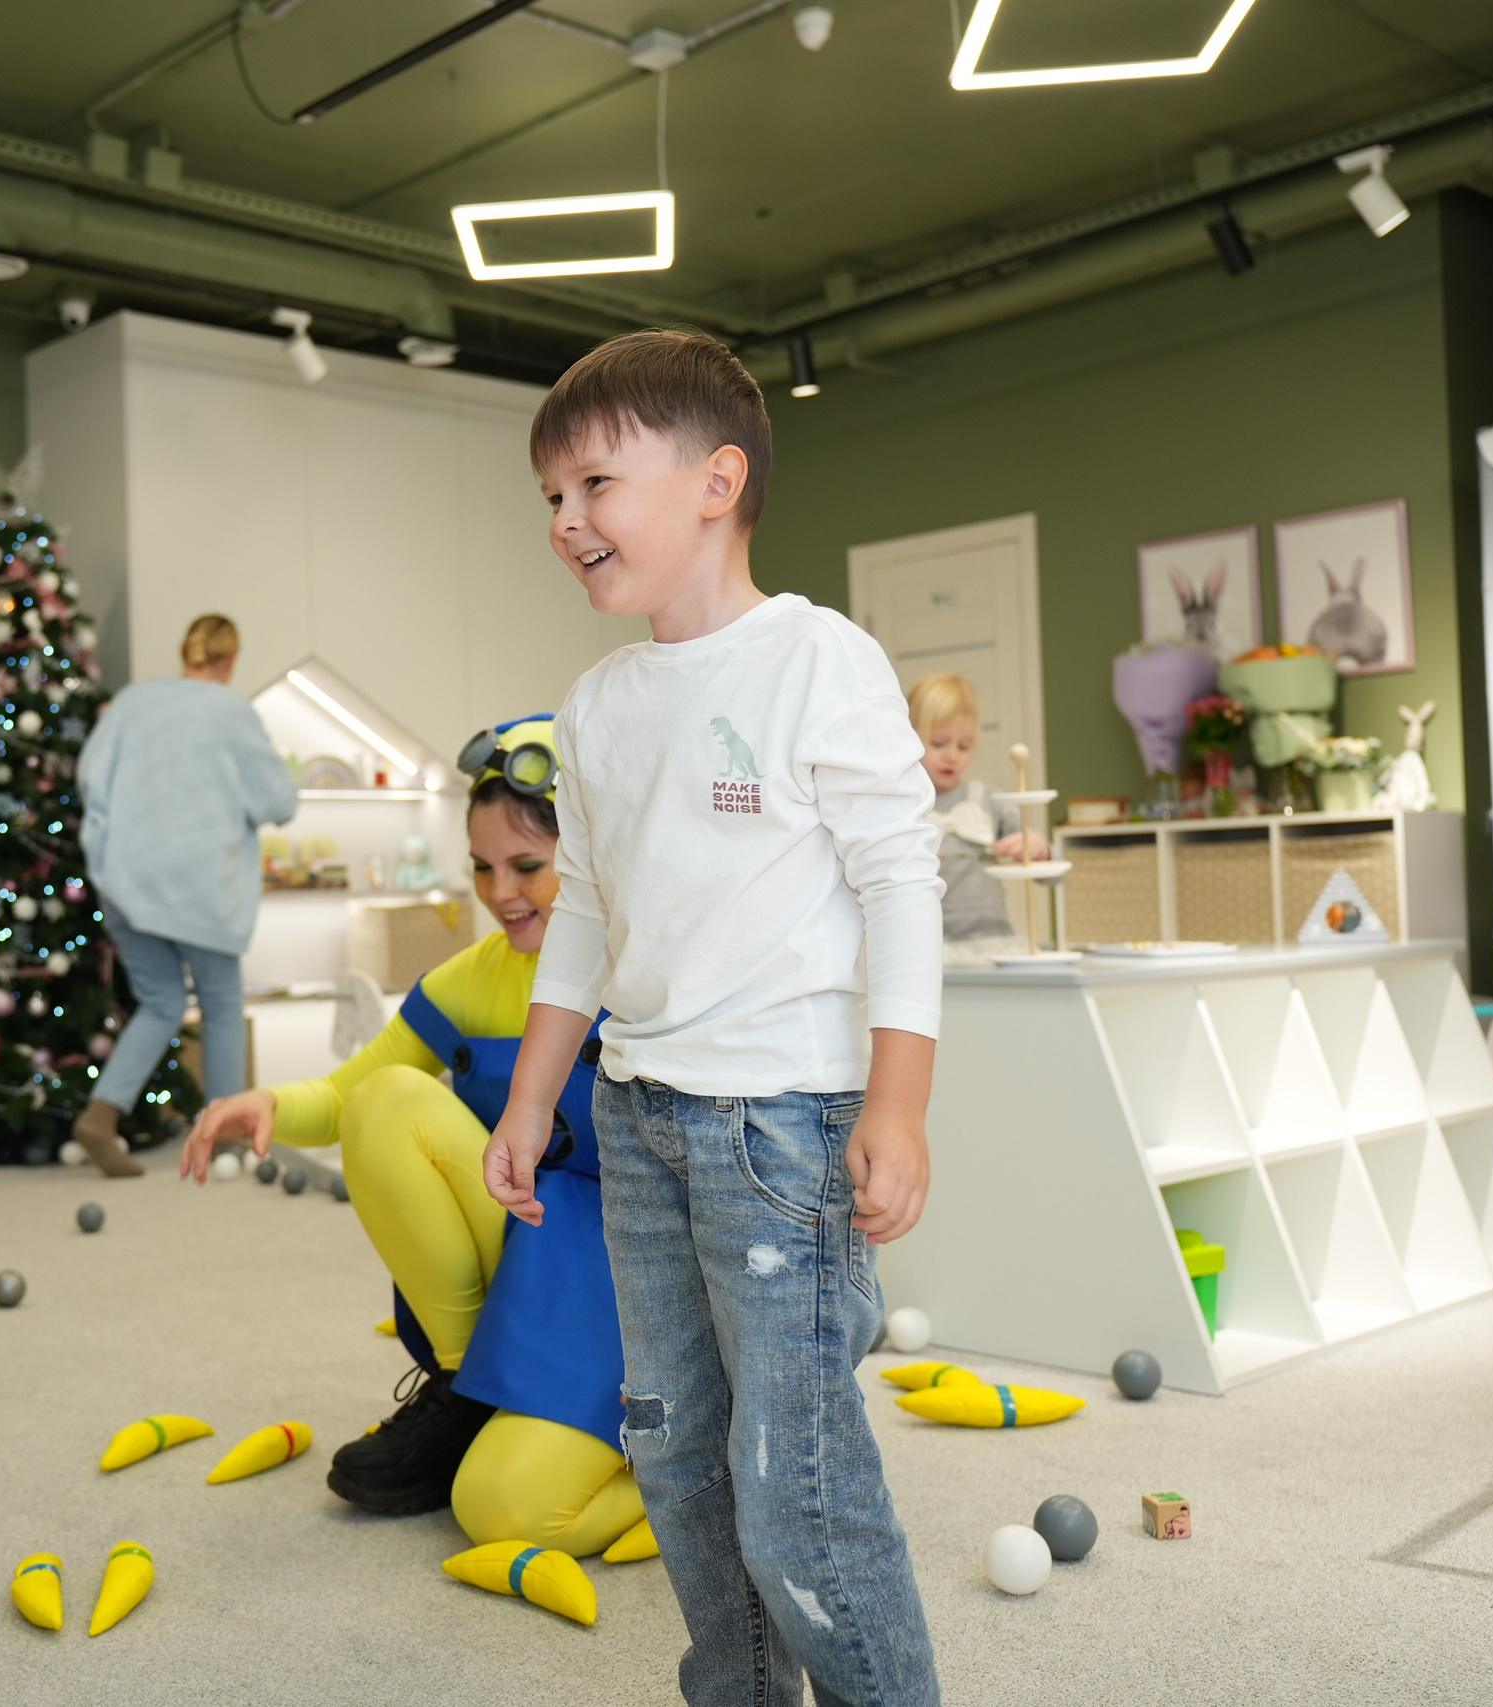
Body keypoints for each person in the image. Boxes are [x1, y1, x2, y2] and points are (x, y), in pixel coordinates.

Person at [486, 329, 945, 1706]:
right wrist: (529, 1093)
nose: (568, 522)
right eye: (552, 498)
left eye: (595, 484)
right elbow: (586, 913)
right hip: (638, 1122)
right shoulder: (597, 703)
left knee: (792, 1483)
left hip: (781, 1131)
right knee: (677, 1456)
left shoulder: (818, 656)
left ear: (715, 480)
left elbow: (900, 879)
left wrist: (899, 1101)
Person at [179, 717, 645, 1559]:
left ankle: (680, 1474)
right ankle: (468, 1384)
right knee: (391, 1100)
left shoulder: (647, 968)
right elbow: (350, 1093)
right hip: (527, 1244)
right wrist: (266, 1103)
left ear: (587, 851)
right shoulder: (471, 976)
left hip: (623, 1288)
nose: (499, 891)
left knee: (500, 1512)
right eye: (481, 866)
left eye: (527, 867)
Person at [75, 613, 296, 1177]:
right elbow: (277, 801)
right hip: (201, 887)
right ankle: (222, 1134)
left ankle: (100, 1117)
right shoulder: (231, 713)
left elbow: (90, 778)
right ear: (230, 659)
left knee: (160, 1003)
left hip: (128, 880)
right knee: (221, 1005)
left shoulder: (131, 703)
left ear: (186, 653)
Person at [908, 671, 1048, 965]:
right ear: (909, 738)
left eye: (963, 746)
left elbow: (1052, 871)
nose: (952, 756)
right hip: (926, 946)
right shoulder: (902, 807)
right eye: (939, 743)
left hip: (992, 941)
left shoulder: (988, 801)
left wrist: (1037, 847)